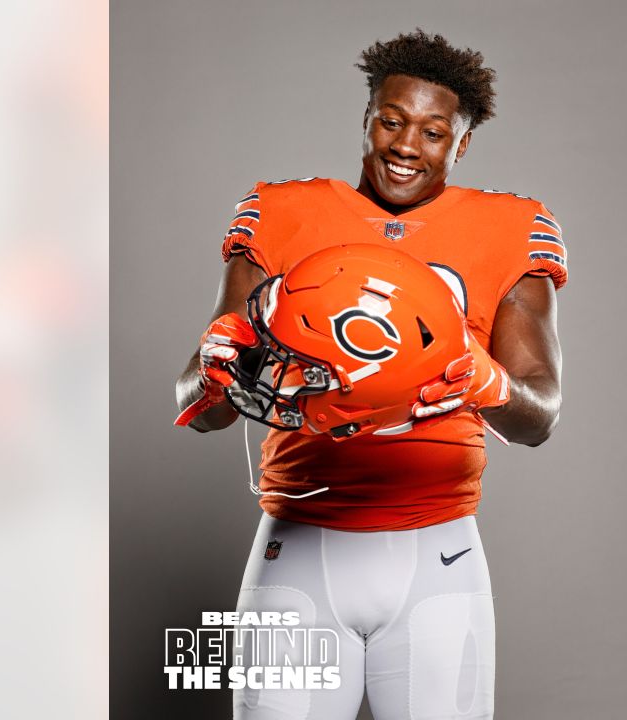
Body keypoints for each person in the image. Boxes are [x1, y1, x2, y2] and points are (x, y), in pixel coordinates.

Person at [175, 29, 566, 720]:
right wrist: (213, 370)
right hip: (298, 547)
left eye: (433, 131)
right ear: (366, 117)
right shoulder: (283, 211)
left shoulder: (509, 226)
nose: (406, 145)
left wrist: (487, 382)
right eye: (391, 121)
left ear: (462, 143)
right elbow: (202, 406)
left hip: (437, 553)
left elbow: (539, 415)